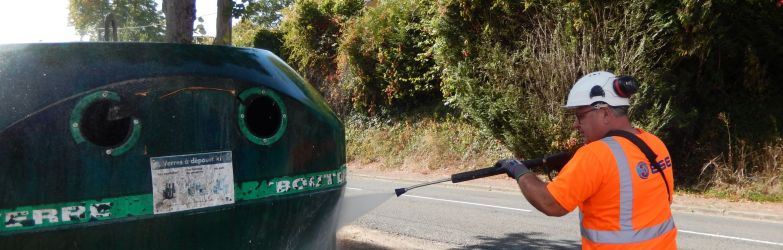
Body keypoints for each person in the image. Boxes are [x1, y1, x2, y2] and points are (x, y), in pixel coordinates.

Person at [497, 71, 677, 249]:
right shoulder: (654, 143)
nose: (576, 124)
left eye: (580, 115)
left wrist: (519, 170)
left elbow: (550, 204)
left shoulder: (595, 154)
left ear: (605, 113)